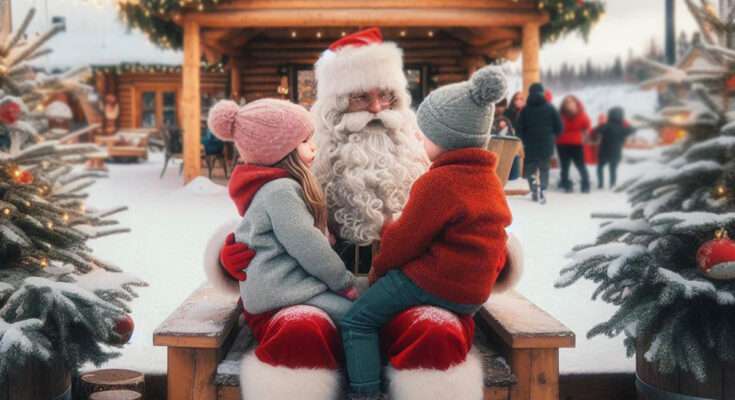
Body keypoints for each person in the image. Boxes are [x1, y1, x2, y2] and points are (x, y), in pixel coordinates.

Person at [340, 66, 512, 400]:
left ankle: (365, 393)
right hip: (471, 293)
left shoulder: (437, 182)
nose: (418, 139)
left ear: (446, 139)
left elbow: (406, 240)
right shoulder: (487, 180)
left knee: (356, 322)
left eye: (425, 134)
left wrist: (380, 270)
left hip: (432, 282)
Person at [206, 98, 357, 323]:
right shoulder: (281, 191)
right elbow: (306, 242)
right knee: (360, 317)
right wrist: (343, 282)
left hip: (292, 286)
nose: (314, 146)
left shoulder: (281, 186)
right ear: (279, 151)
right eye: (305, 141)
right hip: (285, 293)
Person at [517, 82, 562, 204]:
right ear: (543, 93)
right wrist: (551, 136)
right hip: (546, 144)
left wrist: (523, 139)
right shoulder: (550, 108)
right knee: (544, 169)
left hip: (530, 144)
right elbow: (559, 127)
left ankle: (533, 190)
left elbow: (519, 128)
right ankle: (543, 188)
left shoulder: (525, 110)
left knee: (530, 168)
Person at [557, 95, 592, 193]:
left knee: (580, 165)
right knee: (565, 165)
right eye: (567, 102)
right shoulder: (560, 114)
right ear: (564, 104)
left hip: (576, 143)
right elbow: (556, 126)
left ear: (576, 103)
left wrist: (586, 137)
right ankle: (565, 184)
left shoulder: (581, 114)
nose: (569, 104)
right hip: (562, 143)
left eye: (571, 102)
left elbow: (587, 126)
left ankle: (585, 185)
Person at [596, 106, 635, 188]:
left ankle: (600, 184)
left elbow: (597, 130)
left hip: (604, 150)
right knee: (613, 169)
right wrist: (625, 122)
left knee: (600, 167)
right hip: (616, 151)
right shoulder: (623, 127)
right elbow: (633, 129)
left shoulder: (606, 125)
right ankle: (612, 184)